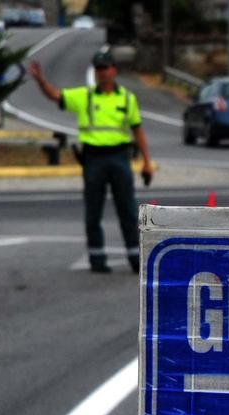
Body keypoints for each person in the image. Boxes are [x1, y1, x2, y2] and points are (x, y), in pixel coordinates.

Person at [28, 50, 154, 274]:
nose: (101, 73)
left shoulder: (126, 98)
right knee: (93, 211)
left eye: (105, 68)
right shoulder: (84, 96)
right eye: (98, 69)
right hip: (93, 158)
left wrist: (147, 161)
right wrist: (40, 81)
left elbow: (138, 130)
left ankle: (136, 258)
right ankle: (97, 258)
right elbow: (56, 96)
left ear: (113, 70)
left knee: (127, 209)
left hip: (119, 157)